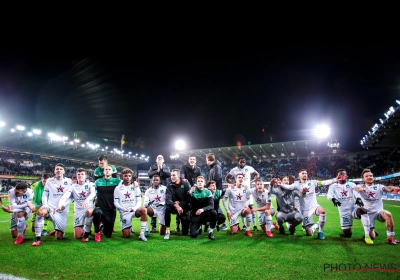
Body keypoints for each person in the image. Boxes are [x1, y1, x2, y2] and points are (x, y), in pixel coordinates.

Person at [278, 169, 339, 240]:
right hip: (304, 211)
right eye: (303, 173)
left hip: (314, 206)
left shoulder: (313, 182)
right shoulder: (296, 185)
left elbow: (324, 182)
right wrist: (281, 184)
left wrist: (335, 179)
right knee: (309, 233)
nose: (305, 174)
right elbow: (289, 187)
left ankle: (320, 232)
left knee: (322, 211)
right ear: (299, 175)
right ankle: (316, 225)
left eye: (306, 173)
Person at [327, 169, 373, 244]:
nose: (342, 175)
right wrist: (332, 199)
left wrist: (358, 198)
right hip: (344, 212)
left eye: (344, 174)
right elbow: (329, 194)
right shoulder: (333, 186)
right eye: (340, 174)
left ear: (347, 176)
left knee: (363, 210)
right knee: (348, 234)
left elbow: (356, 192)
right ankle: (368, 228)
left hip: (353, 208)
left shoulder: (351, 184)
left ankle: (367, 235)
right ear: (337, 176)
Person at [355, 168, 400, 245]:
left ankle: (390, 238)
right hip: (367, 214)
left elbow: (386, 188)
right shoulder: (360, 186)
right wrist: (361, 189)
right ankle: (372, 230)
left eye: (371, 175)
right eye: (367, 176)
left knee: (388, 214)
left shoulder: (379, 186)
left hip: (378, 211)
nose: (369, 177)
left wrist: (392, 188)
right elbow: (356, 189)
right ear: (363, 178)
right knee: (372, 237)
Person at [32, 163, 73, 246]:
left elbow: (70, 197)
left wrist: (63, 205)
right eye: (57, 169)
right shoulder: (49, 181)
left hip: (62, 210)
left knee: (59, 237)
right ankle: (37, 238)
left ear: (64, 171)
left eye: (61, 169)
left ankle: (57, 229)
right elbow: (45, 194)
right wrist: (45, 205)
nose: (59, 170)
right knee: (40, 212)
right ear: (54, 171)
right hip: (50, 207)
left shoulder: (68, 181)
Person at [55, 168, 96, 242]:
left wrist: (87, 199)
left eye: (82, 174)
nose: (80, 176)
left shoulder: (90, 184)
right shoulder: (72, 186)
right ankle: (83, 228)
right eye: (78, 174)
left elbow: (93, 193)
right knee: (77, 236)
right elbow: (66, 195)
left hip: (88, 207)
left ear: (86, 176)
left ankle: (87, 232)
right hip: (78, 210)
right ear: (76, 176)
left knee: (89, 212)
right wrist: (60, 204)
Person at [226, 157, 260, 231]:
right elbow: (227, 178)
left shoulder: (249, 168)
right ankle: (244, 225)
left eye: (244, 162)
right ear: (238, 162)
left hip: (247, 191)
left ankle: (254, 225)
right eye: (241, 162)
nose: (242, 163)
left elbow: (257, 174)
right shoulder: (234, 170)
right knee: (241, 207)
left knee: (251, 208)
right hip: (239, 191)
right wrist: (233, 184)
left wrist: (251, 182)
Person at [114, 168, 148, 242]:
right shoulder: (118, 188)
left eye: (129, 176)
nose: (128, 177)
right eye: (126, 176)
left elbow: (139, 201)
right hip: (124, 212)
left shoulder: (135, 187)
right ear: (122, 176)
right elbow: (115, 202)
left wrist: (134, 209)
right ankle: (128, 226)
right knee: (126, 235)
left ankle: (142, 234)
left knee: (144, 210)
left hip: (134, 210)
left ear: (131, 176)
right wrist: (123, 209)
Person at [93, 165, 122, 242]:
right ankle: (97, 232)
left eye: (109, 169)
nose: (108, 170)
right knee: (96, 212)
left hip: (111, 208)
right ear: (103, 171)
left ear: (112, 171)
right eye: (106, 169)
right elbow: (92, 191)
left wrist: (134, 182)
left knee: (108, 234)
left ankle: (102, 226)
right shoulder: (98, 182)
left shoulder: (117, 181)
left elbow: (127, 185)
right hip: (100, 206)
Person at [164, 169, 191, 240]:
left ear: (178, 176)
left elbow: (188, 199)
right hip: (174, 207)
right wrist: (176, 206)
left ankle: (189, 225)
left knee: (185, 232)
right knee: (167, 208)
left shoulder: (185, 184)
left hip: (184, 207)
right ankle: (167, 230)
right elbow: (168, 200)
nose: (172, 177)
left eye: (174, 175)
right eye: (171, 175)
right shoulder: (169, 185)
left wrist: (181, 205)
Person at [148, 155, 171, 231]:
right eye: (158, 158)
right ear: (156, 160)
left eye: (161, 158)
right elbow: (149, 175)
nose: (160, 159)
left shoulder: (166, 167)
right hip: (154, 189)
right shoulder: (152, 166)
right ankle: (153, 226)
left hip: (164, 188)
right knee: (154, 205)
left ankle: (164, 224)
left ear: (163, 160)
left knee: (164, 207)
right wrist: (157, 170)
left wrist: (161, 169)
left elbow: (168, 175)